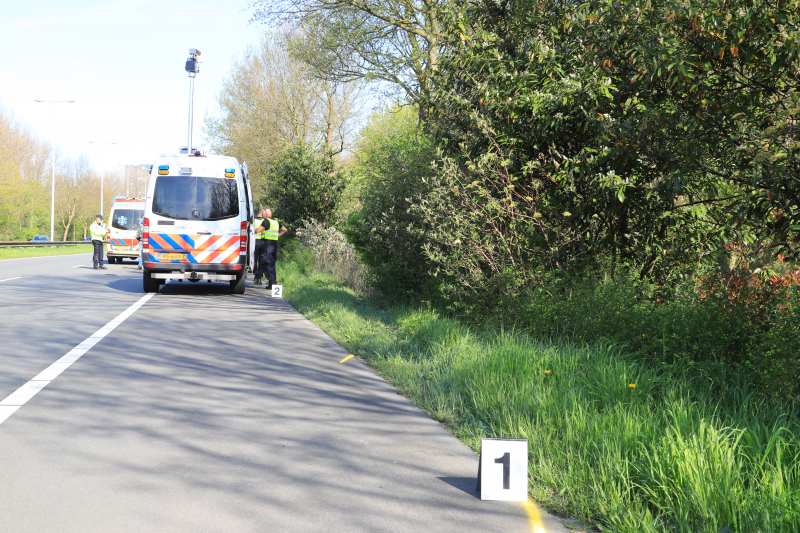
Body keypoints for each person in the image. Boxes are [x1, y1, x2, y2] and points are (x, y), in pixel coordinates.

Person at [254, 208, 287, 289]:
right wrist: (277, 235)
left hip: (267, 245)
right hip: (274, 244)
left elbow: (257, 231)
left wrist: (251, 230)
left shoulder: (266, 221)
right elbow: (284, 229)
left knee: (266, 263)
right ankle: (272, 283)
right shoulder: (275, 221)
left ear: (266, 213)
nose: (262, 214)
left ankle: (272, 283)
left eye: (264, 212)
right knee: (271, 264)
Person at [252, 208, 265, 285]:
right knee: (261, 260)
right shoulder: (265, 221)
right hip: (263, 242)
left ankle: (255, 271)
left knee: (254, 259)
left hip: (254, 242)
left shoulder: (253, 221)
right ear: (260, 214)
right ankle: (259, 277)